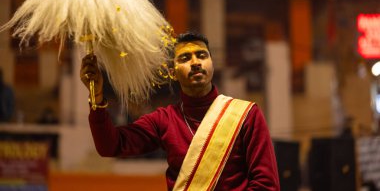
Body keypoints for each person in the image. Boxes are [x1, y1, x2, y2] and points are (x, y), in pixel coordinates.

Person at [80, 32, 280, 190]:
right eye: (185, 58)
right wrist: (96, 97)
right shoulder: (164, 119)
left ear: (211, 64)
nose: (195, 62)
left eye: (202, 55)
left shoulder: (246, 115)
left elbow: (266, 185)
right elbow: (110, 146)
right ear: (172, 72)